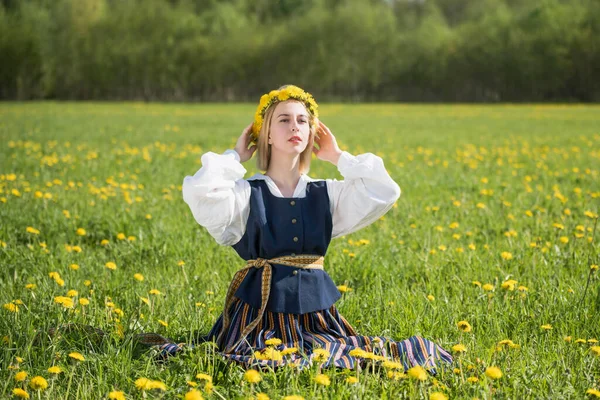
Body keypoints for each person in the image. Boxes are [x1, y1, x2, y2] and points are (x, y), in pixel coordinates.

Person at [179, 85, 453, 372]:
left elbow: (384, 190)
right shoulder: (246, 194)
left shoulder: (326, 193)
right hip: (258, 312)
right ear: (266, 134)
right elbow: (202, 191)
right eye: (283, 120)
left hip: (316, 314)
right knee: (263, 359)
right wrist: (234, 156)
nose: (294, 126)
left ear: (312, 133)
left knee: (340, 354)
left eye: (302, 121)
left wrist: (337, 156)